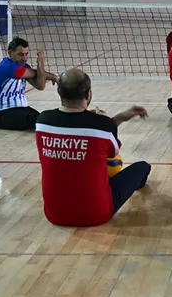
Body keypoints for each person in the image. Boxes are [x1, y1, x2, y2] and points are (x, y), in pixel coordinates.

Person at [35, 68, 151, 227]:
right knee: (142, 167)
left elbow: (74, 128)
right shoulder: (103, 124)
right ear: (88, 94)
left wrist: (118, 118)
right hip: (97, 214)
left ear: (59, 91)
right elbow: (112, 153)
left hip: (55, 215)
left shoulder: (42, 121)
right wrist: (105, 120)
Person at [0, 37, 58, 130]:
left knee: (44, 118)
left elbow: (40, 85)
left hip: (20, 108)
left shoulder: (23, 66)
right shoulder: (9, 67)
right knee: (42, 120)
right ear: (10, 53)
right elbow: (37, 74)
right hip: (1, 114)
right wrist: (41, 64)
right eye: (20, 54)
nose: (25, 58)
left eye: (26, 54)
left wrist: (47, 72)